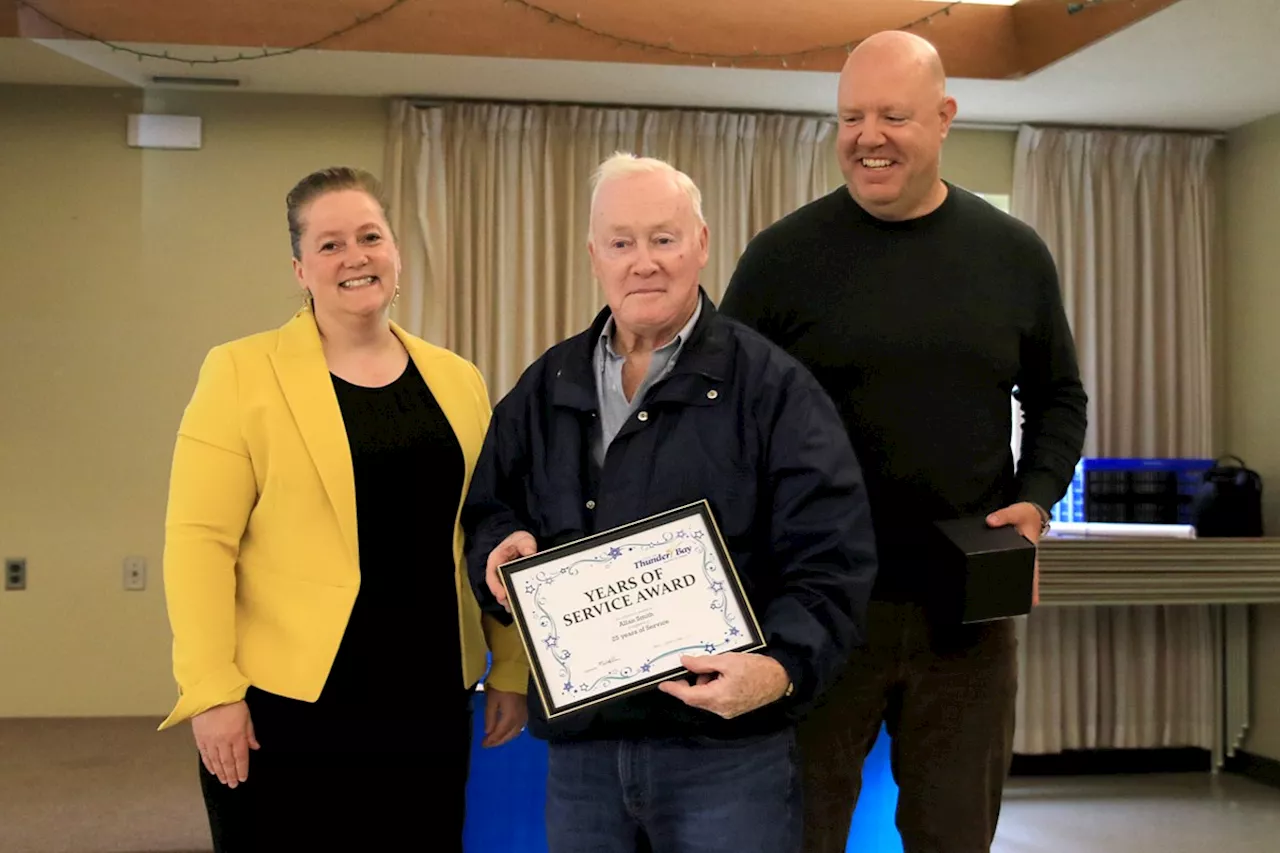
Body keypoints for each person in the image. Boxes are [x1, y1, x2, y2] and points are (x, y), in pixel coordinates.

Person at [719, 30, 1089, 853]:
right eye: (851, 116)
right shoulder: (782, 258)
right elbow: (721, 417)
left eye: (893, 114)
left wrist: (1034, 498)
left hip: (966, 612)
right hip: (813, 607)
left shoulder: (1013, 255)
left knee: (952, 835)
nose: (867, 136)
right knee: (796, 833)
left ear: (945, 117)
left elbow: (1060, 397)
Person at [460, 152, 878, 853]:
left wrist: (778, 670)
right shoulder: (546, 384)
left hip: (726, 755)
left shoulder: (773, 389)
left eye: (664, 238)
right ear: (595, 255)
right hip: (584, 756)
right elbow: (492, 507)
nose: (643, 262)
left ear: (702, 244)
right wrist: (498, 550)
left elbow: (833, 557)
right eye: (622, 242)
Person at [157, 166, 528, 851]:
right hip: (287, 705)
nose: (354, 256)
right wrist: (211, 691)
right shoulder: (241, 371)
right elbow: (198, 542)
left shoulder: (457, 378)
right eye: (329, 245)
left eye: (369, 236)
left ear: (395, 253)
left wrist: (509, 662)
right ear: (300, 268)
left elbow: (488, 527)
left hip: (427, 698)